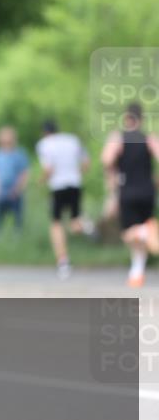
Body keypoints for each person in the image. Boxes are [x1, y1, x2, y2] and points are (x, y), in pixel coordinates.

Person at [101, 103, 159, 287]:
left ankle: (146, 230)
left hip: (127, 191)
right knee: (139, 238)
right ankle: (137, 272)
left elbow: (106, 160)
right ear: (141, 119)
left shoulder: (118, 137)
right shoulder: (149, 138)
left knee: (128, 232)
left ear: (127, 118)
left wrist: (112, 186)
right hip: (147, 191)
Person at [36, 119, 93, 279]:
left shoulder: (44, 144)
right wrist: (76, 173)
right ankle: (86, 225)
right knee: (74, 224)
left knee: (56, 224)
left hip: (58, 186)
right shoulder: (72, 139)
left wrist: (40, 181)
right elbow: (86, 162)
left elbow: (49, 169)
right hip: (75, 184)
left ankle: (63, 261)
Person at [0, 126, 30, 232]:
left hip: (15, 192)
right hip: (0, 193)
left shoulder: (19, 153)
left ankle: (17, 241)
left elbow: (24, 173)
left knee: (17, 221)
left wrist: (18, 188)